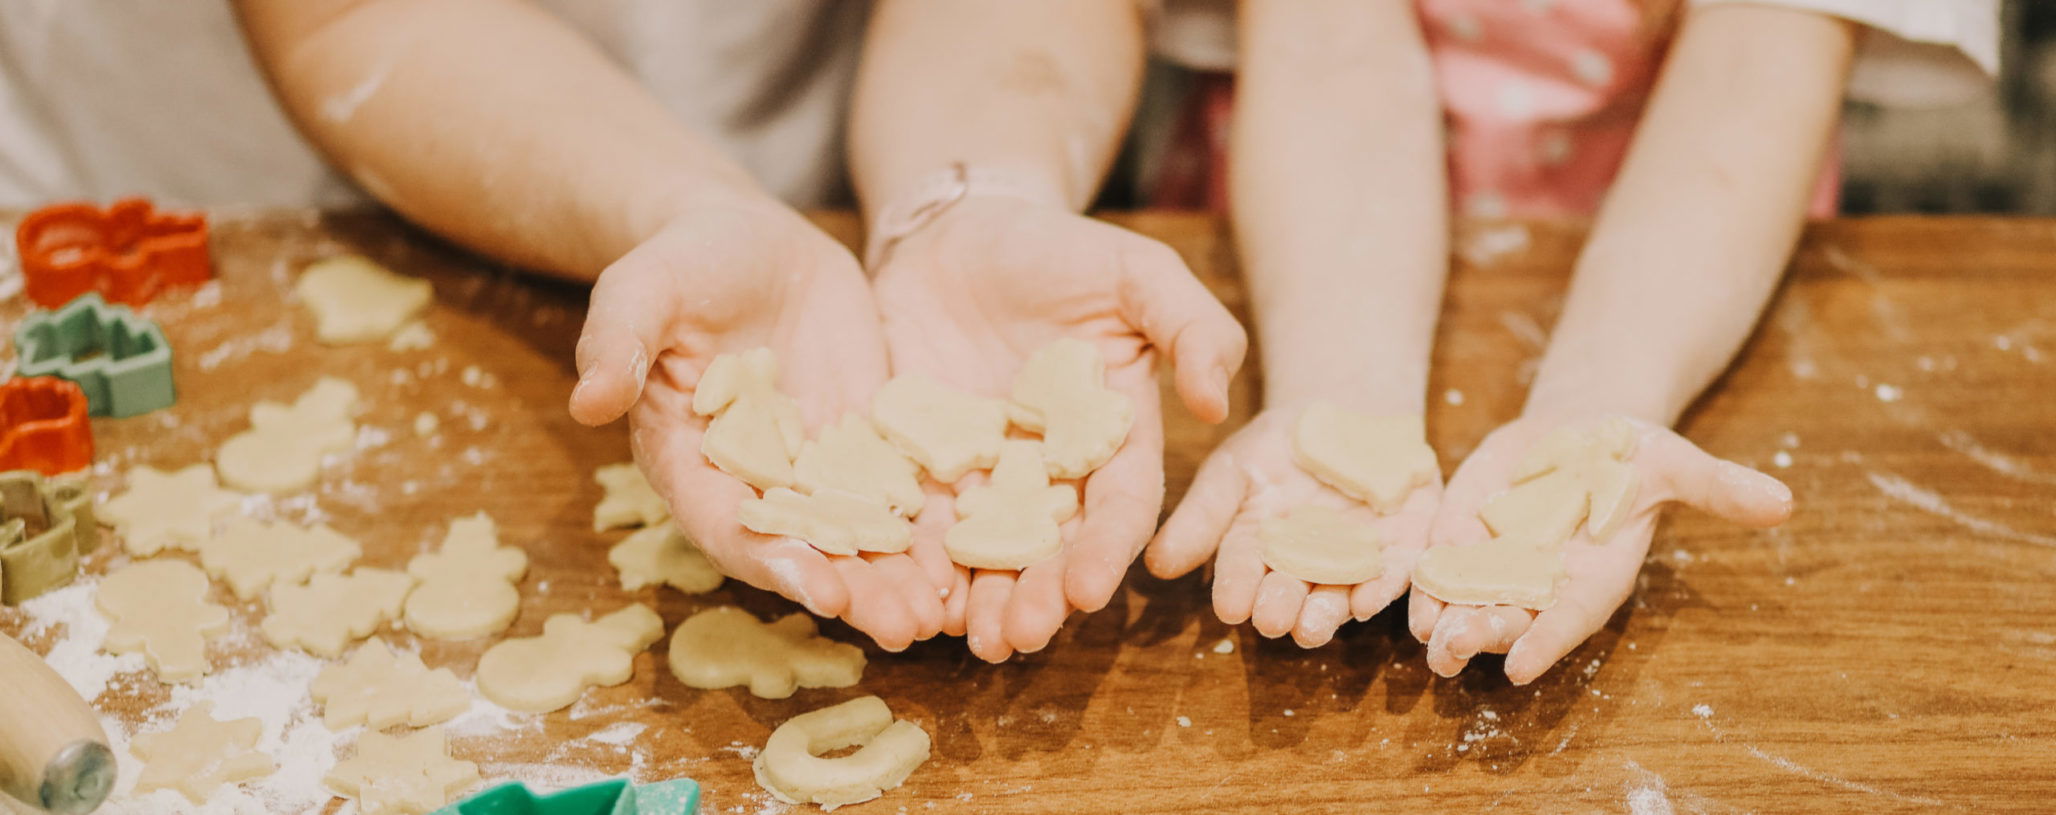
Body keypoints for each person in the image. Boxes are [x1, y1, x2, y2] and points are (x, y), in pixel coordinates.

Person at [1142, 0, 1997, 684]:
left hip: (1687, 244)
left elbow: (1754, 64)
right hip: (1318, 226)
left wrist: (1602, 398)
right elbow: (1326, 41)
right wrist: (1338, 378)